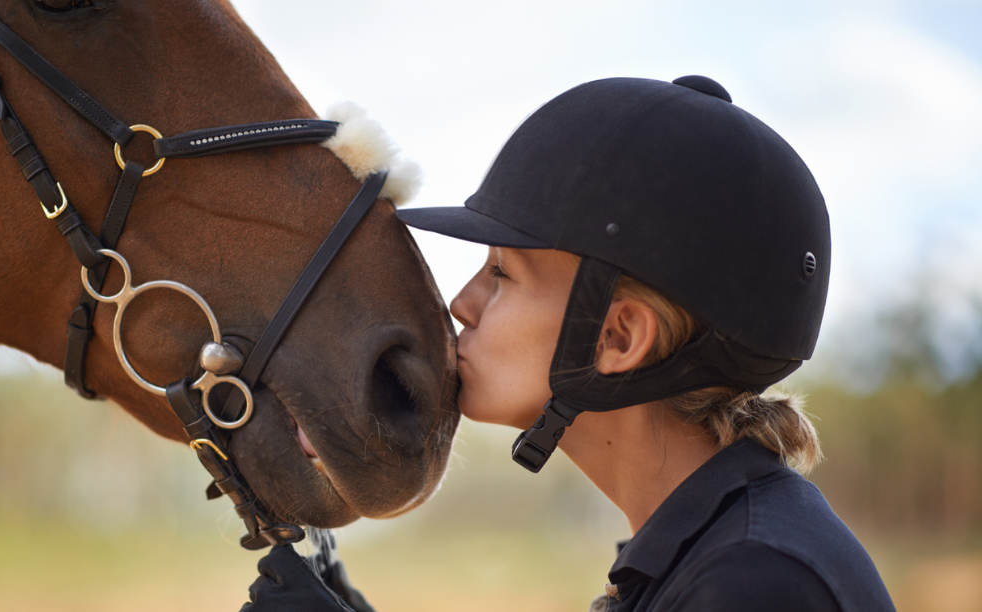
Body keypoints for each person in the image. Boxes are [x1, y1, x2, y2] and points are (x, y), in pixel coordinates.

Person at [240, 75, 896, 611]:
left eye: (502, 274)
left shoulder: (755, 584)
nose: (460, 302)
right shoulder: (710, 554)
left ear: (617, 338)